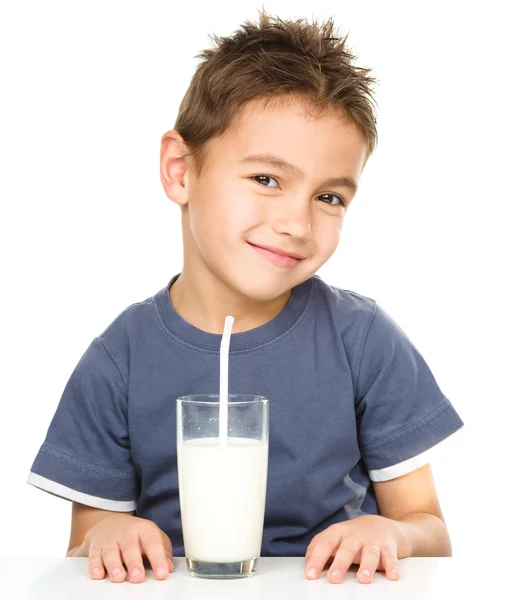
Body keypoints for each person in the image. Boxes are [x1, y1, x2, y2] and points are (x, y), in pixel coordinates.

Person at [27, 9, 464, 586]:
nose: (297, 224)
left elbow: (429, 529)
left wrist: (395, 533)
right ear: (180, 170)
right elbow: (87, 545)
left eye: (330, 196)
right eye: (266, 179)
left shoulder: (363, 340)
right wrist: (104, 535)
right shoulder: (119, 359)